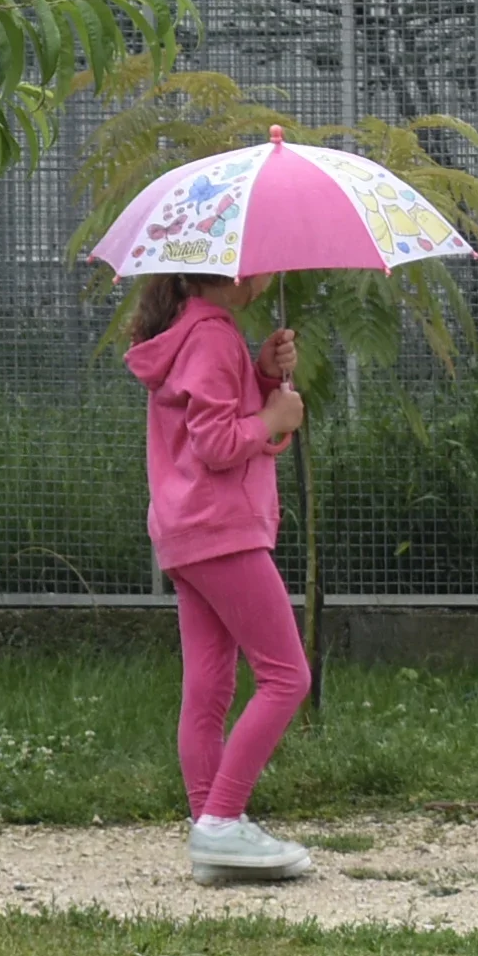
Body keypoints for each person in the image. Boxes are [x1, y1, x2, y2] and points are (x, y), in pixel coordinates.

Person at [124, 269, 317, 884]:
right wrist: (275, 417)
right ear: (235, 273)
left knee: (208, 686)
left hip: (187, 532)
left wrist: (260, 375)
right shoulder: (211, 338)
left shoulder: (192, 331)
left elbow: (207, 417)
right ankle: (221, 821)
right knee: (287, 676)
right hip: (223, 530)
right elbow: (215, 443)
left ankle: (210, 829)